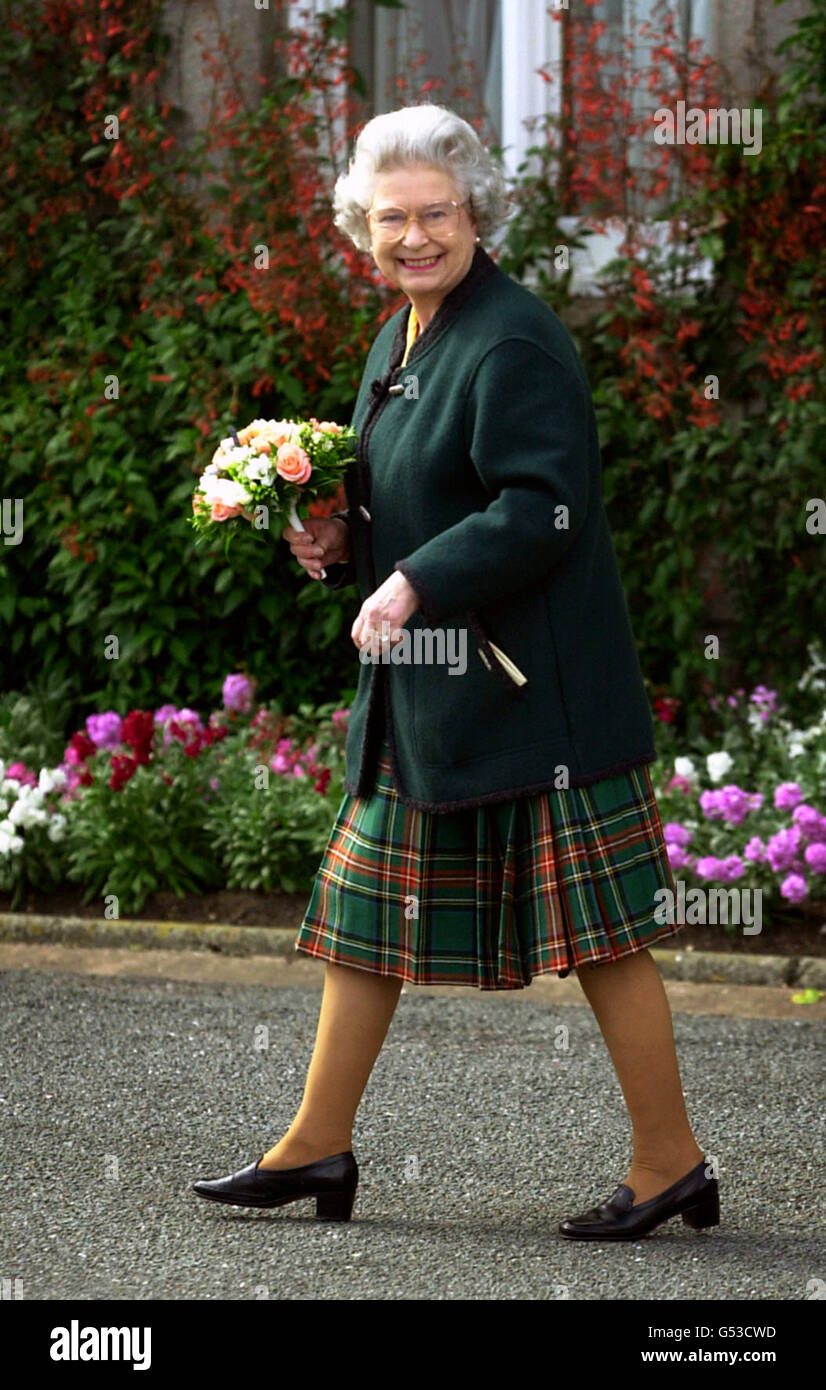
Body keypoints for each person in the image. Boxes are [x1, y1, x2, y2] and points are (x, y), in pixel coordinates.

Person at [193, 103, 719, 1241]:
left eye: (436, 214)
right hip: (433, 697)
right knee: (360, 920)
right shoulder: (403, 335)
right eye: (391, 219)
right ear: (358, 229)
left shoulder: (514, 337)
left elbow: (543, 509)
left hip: (536, 701)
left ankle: (669, 1158)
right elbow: (409, 498)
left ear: (476, 212)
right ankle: (316, 1145)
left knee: (604, 937)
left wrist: (415, 581)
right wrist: (345, 548)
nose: (414, 236)